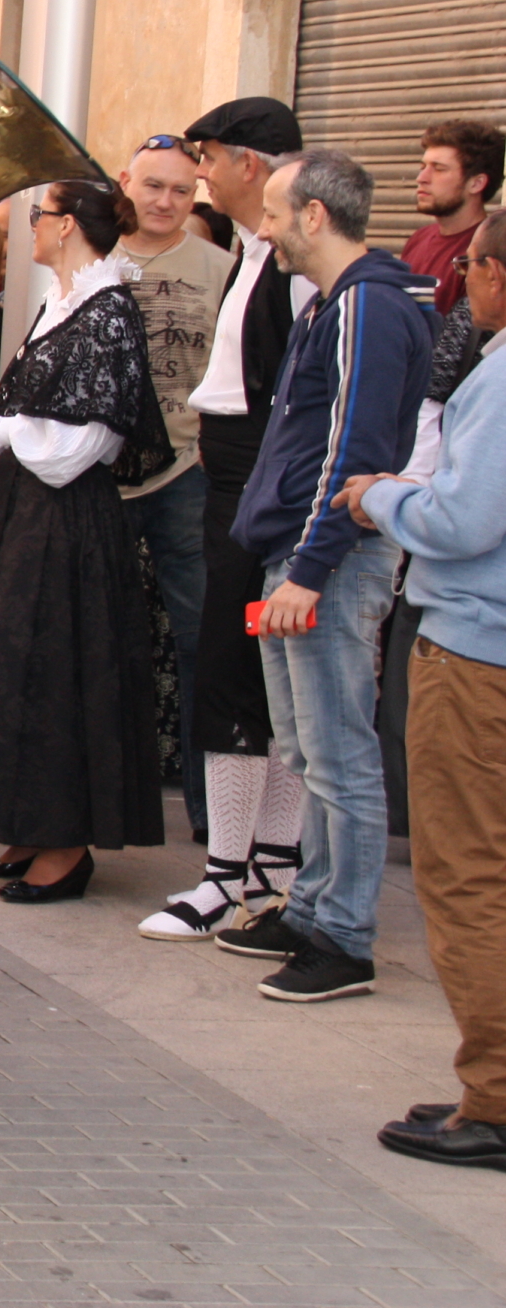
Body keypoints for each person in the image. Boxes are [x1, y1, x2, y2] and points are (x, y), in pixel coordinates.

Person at [216, 149, 434, 1000]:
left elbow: (355, 448)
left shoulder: (366, 306)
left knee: (338, 753)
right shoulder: (339, 303)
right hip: (304, 554)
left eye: (274, 213)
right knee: (309, 750)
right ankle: (311, 908)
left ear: (315, 214)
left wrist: (307, 568)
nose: (264, 229)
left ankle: (343, 936)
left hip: (327, 562)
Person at [0, 181, 174, 900]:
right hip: (32, 516)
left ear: (66, 227)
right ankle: (30, 825)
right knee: (20, 671)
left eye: (38, 216)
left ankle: (67, 845)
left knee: (58, 675)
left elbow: (83, 445)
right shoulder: (68, 303)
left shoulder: (108, 311)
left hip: (67, 525)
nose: (30, 227)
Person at [344, 210, 506, 1170]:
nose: (462, 282)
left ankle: (496, 1097)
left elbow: (462, 520)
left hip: (479, 654)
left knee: (469, 875)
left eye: (471, 266)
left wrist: (379, 495)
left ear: (496, 274)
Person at [178, 97, 315, 930]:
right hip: (238, 485)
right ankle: (258, 870)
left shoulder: (295, 266)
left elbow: (303, 394)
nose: (202, 174)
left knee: (246, 672)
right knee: (248, 673)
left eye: (208, 158)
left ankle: (243, 874)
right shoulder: (255, 251)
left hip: (262, 501)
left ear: (249, 164)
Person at [117, 133, 236, 849]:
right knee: (98, 639)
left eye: (181, 191)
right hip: (99, 476)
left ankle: (208, 808)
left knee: (200, 642)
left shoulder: (222, 267)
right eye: (153, 185)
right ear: (125, 181)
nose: (165, 201)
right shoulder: (93, 256)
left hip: (186, 473)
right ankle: (103, 801)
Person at [401, 120, 502, 317]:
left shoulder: (488, 251)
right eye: (423, 166)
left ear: (476, 183)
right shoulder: (419, 239)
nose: (422, 178)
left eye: (439, 169)